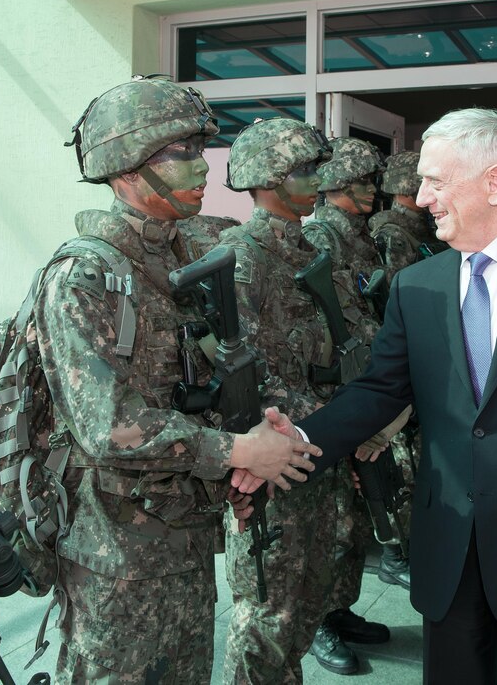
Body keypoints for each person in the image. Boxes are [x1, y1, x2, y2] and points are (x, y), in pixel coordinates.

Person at [250, 107, 497, 684]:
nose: (420, 198)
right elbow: (377, 392)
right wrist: (298, 441)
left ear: (495, 182)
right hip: (449, 552)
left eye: (435, 181)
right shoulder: (419, 285)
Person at [28, 79, 321, 684]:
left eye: (198, 149)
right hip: (118, 558)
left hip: (188, 534)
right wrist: (238, 452)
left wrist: (257, 434)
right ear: (124, 166)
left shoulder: (196, 252)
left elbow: (227, 366)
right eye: (177, 152)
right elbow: (109, 426)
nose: (200, 166)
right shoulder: (86, 274)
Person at [215, 117, 352, 681]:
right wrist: (326, 422)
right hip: (276, 461)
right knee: (268, 616)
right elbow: (244, 371)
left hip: (318, 452)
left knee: (307, 601)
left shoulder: (310, 247)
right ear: (266, 179)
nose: (316, 181)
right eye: (303, 170)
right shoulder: (239, 257)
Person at [302, 136, 392, 673]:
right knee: (329, 522)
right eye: (360, 183)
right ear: (334, 185)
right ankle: (315, 620)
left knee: (353, 519)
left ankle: (338, 608)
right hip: (331, 391)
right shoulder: (320, 235)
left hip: (363, 383)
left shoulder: (359, 238)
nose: (370, 193)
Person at [365, 149, 447, 591]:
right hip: (403, 363)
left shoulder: (423, 230)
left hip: (424, 360)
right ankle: (396, 552)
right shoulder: (393, 232)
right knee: (400, 466)